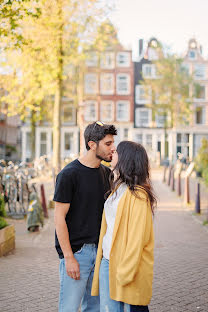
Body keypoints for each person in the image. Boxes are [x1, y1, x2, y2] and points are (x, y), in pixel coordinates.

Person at [53, 121, 117, 312]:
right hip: (77, 253)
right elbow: (59, 218)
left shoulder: (107, 174)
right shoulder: (68, 174)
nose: (112, 148)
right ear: (91, 144)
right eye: (107, 144)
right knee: (69, 308)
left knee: (95, 309)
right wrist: (68, 257)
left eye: (113, 143)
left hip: (101, 254)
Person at [91, 141, 157, 312]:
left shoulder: (138, 195)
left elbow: (137, 239)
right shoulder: (118, 189)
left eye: (117, 151)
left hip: (124, 268)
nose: (113, 151)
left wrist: (124, 273)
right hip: (108, 262)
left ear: (126, 159)